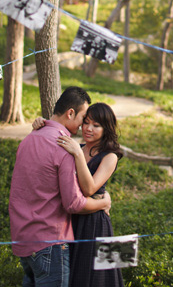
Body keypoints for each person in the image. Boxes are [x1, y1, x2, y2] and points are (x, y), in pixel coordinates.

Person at [9, 86, 111, 287]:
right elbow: (73, 203)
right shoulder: (64, 146)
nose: (85, 125)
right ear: (71, 113)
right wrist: (104, 203)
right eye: (84, 118)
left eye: (94, 124)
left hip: (22, 237)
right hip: (49, 240)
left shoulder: (29, 139)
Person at [33, 102, 124, 287]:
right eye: (86, 122)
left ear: (107, 129)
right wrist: (41, 124)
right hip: (72, 219)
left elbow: (89, 189)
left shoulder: (110, 156)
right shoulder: (77, 146)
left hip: (96, 223)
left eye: (96, 126)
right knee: (74, 273)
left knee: (100, 277)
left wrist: (78, 155)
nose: (88, 129)